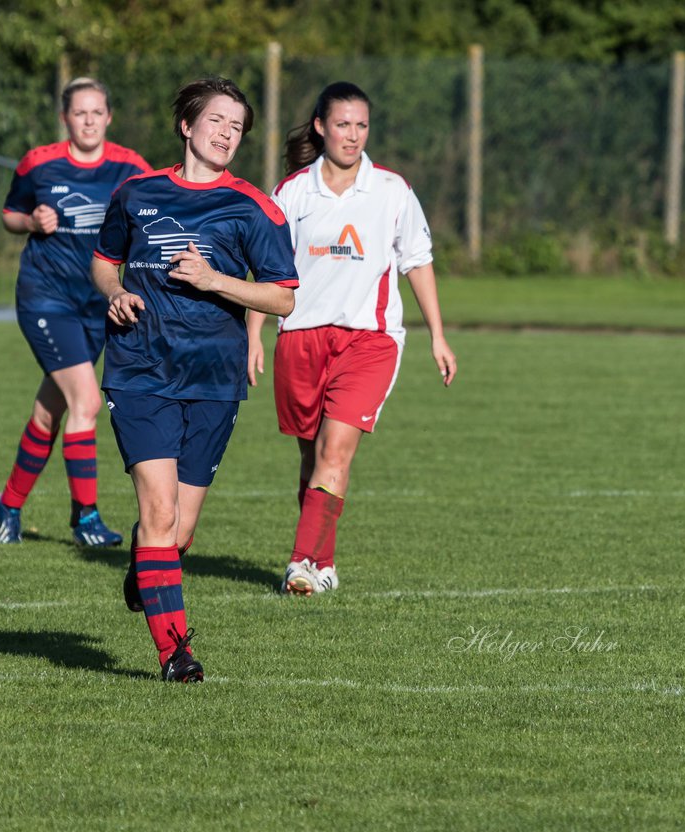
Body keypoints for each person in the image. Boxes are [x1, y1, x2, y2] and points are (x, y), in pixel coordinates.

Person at [92, 77, 298, 682]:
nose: (228, 134)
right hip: (139, 369)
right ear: (187, 126)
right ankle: (175, 654)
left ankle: (147, 565)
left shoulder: (254, 208)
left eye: (237, 127)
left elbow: (283, 299)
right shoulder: (136, 192)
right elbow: (105, 263)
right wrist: (117, 292)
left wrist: (214, 281)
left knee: (177, 532)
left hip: (213, 376)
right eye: (217, 122)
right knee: (157, 511)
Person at [247, 81, 457, 596]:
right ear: (320, 127)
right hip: (299, 337)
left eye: (361, 125)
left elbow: (418, 262)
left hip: (370, 341)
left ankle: (300, 564)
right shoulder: (292, 192)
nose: (353, 135)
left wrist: (438, 336)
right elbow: (267, 273)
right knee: (310, 456)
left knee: (335, 451)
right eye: (343, 124)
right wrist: (252, 335)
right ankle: (324, 561)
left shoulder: (391, 191)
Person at [0, 78, 150, 547]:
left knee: (51, 410)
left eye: (96, 112)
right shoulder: (39, 163)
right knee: (87, 401)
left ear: (109, 117)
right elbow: (9, 214)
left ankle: (9, 504)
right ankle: (86, 518)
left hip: (97, 305)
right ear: (65, 118)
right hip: (45, 298)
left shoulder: (130, 166)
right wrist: (30, 221)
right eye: (79, 113)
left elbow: (153, 214)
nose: (88, 120)